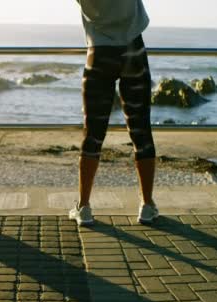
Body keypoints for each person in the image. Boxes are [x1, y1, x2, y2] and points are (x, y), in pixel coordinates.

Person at [69, 0, 159, 226]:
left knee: (93, 133)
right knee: (141, 130)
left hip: (99, 53)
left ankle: (84, 207)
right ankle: (147, 205)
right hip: (133, 50)